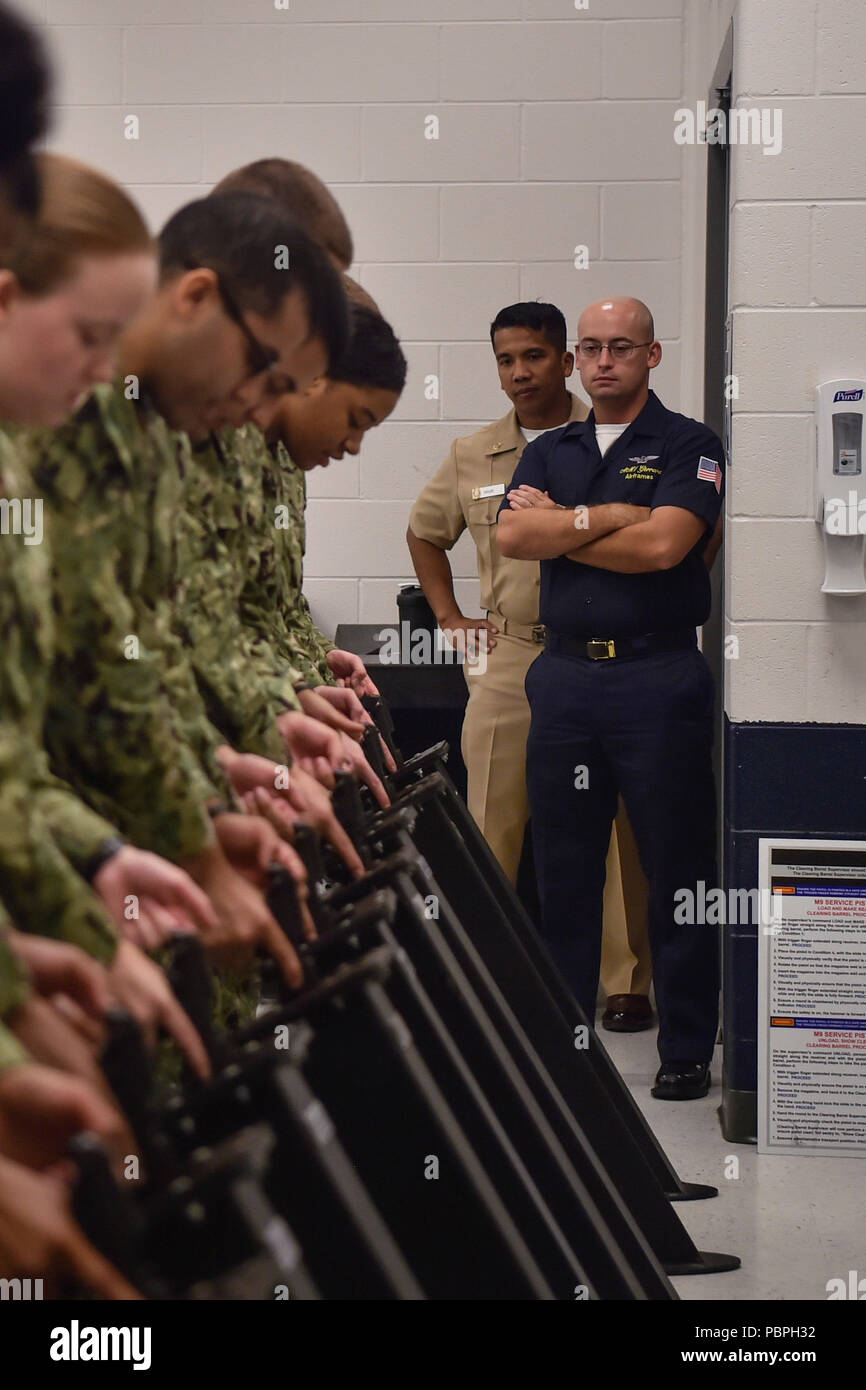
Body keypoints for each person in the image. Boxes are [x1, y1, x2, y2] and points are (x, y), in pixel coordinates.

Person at [498, 296, 725, 1100]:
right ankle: (566, 1050)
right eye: (590, 348)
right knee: (564, 872)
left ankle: (688, 1046)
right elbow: (512, 538)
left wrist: (565, 524)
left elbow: (668, 547)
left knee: (676, 866)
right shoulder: (551, 447)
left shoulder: (688, 442)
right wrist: (602, 517)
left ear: (652, 355)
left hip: (656, 678)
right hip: (563, 681)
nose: (602, 361)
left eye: (620, 347)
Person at [408, 301, 653, 1028]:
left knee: (611, 822)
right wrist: (451, 619)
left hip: (598, 654)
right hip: (510, 652)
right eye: (506, 360)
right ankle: (485, 972)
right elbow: (424, 534)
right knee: (491, 815)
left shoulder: (612, 442)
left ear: (568, 359)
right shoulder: (472, 453)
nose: (520, 373)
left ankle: (625, 982)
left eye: (536, 357)